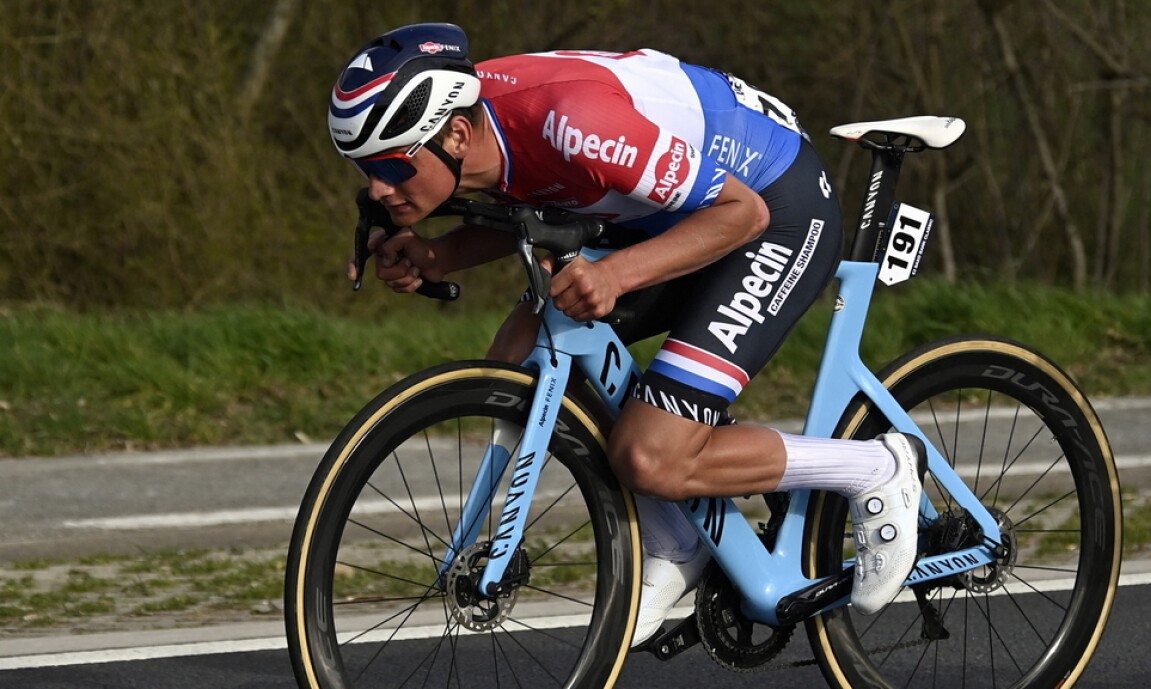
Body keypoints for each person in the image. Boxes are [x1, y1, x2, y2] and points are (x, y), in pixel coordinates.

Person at [329, 22, 925, 646]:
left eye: (392, 165)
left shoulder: (573, 123)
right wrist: (441, 255)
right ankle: (678, 537)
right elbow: (547, 196)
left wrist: (615, 275)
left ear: (455, 133)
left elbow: (741, 214)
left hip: (772, 206)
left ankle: (876, 466)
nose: (377, 187)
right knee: (517, 358)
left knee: (651, 456)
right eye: (365, 168)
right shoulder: (478, 130)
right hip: (667, 208)